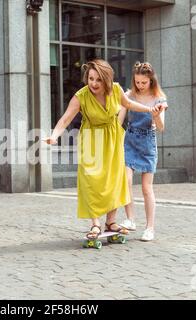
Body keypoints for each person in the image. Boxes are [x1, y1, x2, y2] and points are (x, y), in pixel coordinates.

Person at [44, 59, 162, 240]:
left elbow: (128, 104)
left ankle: (111, 221)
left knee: (114, 179)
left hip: (113, 138)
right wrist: (54, 136)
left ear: (106, 80)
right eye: (91, 79)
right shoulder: (81, 96)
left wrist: (150, 110)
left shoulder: (115, 90)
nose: (93, 83)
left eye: (98, 80)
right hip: (92, 139)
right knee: (92, 180)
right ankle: (95, 223)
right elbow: (66, 119)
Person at [121, 61, 168, 241]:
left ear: (151, 81)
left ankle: (150, 228)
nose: (140, 86)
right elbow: (119, 120)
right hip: (130, 140)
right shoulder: (129, 95)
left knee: (146, 188)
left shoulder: (159, 98)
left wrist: (156, 115)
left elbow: (161, 127)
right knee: (126, 180)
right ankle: (130, 219)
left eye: (144, 82)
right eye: (137, 82)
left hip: (148, 142)